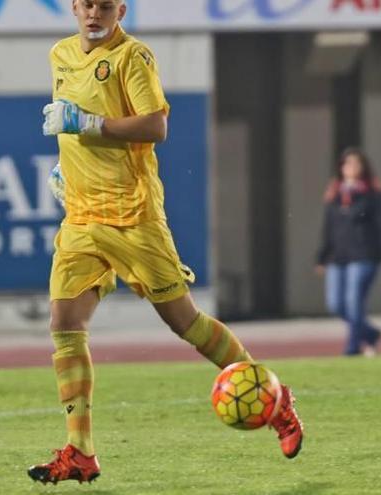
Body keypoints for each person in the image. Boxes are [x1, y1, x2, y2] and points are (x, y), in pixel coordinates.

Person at [28, 0, 303, 484]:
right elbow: (69, 130)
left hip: (132, 215)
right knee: (64, 322)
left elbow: (155, 125)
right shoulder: (60, 55)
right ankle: (81, 451)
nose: (94, 13)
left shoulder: (135, 57)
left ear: (121, 10)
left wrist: (90, 126)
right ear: (73, 7)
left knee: (185, 322)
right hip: (81, 216)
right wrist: (65, 168)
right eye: (86, 4)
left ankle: (276, 401)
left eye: (104, 5)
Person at [316, 148, 381, 357]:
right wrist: (322, 257)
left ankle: (352, 348)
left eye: (356, 164)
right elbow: (328, 228)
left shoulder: (372, 195)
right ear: (341, 168)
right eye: (347, 164)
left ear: (363, 168)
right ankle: (371, 333)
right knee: (336, 304)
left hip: (364, 254)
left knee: (354, 302)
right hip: (338, 256)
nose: (351, 168)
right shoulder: (334, 195)